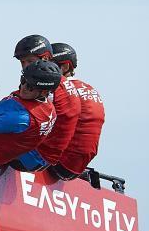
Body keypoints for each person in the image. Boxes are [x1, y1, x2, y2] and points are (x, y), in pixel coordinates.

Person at [44, 42, 106, 180]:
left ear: (65, 66)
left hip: (59, 163)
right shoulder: (90, 89)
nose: (43, 69)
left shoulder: (60, 88)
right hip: (76, 166)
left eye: (49, 65)